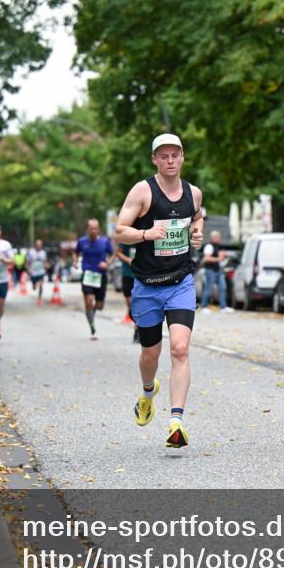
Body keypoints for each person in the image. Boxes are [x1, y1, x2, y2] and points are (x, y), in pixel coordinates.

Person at [114, 133, 204, 449]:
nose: (169, 161)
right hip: (147, 286)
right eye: (163, 156)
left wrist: (197, 232)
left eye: (174, 155)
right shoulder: (143, 191)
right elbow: (119, 232)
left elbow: (197, 216)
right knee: (151, 353)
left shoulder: (193, 193)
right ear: (155, 159)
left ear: (182, 157)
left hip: (180, 282)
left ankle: (176, 423)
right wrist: (146, 233)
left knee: (179, 348)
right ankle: (147, 393)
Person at [75, 219, 116, 339]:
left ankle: (92, 312)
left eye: (95, 228)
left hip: (101, 276)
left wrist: (107, 263)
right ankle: (92, 325)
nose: (93, 230)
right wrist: (75, 261)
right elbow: (75, 253)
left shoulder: (104, 242)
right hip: (87, 275)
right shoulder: (82, 242)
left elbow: (113, 254)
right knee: (88, 300)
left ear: (98, 229)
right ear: (87, 229)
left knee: (99, 306)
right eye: (91, 228)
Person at [200, 230, 233, 313]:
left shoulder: (217, 247)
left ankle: (223, 307)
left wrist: (221, 257)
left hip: (218, 270)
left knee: (223, 287)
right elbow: (207, 259)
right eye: (218, 237)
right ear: (214, 238)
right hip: (210, 270)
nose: (219, 239)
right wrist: (219, 258)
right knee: (208, 288)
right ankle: (204, 307)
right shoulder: (209, 247)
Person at [116, 240, 140, 342]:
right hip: (128, 275)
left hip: (140, 276)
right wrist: (128, 259)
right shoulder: (126, 239)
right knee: (131, 305)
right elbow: (118, 253)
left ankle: (137, 331)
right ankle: (137, 326)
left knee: (139, 306)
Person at [27, 239, 48, 305]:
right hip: (33, 273)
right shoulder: (31, 252)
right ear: (35, 245)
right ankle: (35, 285)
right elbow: (27, 262)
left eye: (40, 244)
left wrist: (46, 266)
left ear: (41, 245)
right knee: (34, 288)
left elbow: (45, 262)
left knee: (41, 285)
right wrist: (28, 269)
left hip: (41, 272)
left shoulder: (43, 253)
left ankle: (39, 299)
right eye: (37, 244)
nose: (38, 246)